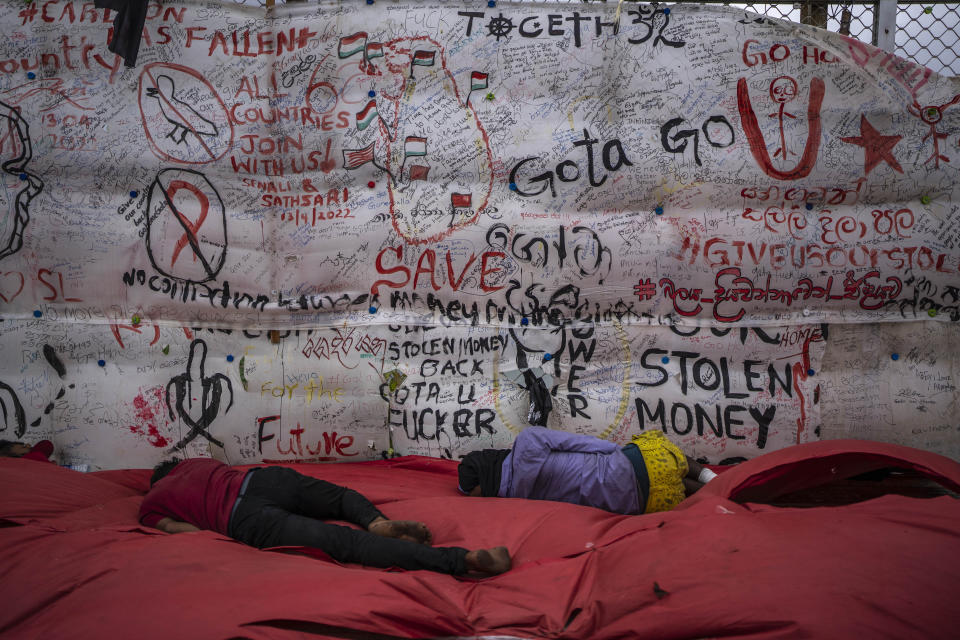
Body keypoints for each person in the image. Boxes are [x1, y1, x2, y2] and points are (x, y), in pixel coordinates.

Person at [139, 457, 511, 576]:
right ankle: (375, 519)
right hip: (262, 479)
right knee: (341, 498)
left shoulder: (152, 502)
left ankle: (462, 560)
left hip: (241, 518)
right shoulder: (196, 462)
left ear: (156, 482)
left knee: (345, 544)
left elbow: (179, 530)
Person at [457, 426, 717, 515]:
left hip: (638, 502)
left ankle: (718, 496)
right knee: (663, 456)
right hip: (625, 466)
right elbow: (585, 444)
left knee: (678, 487)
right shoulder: (528, 441)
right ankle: (713, 479)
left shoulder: (514, 504)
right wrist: (617, 452)